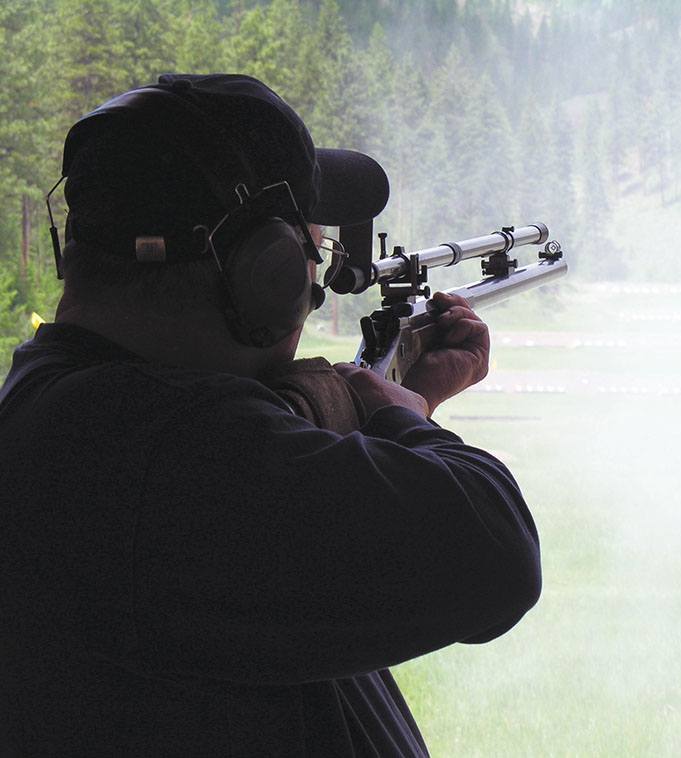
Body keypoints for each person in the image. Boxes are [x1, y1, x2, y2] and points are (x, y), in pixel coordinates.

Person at [0, 73, 541, 757]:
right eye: (311, 251)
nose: (316, 274)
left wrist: (401, 401)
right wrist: (403, 418)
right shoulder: (155, 455)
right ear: (266, 273)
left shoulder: (82, 415)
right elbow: (494, 554)